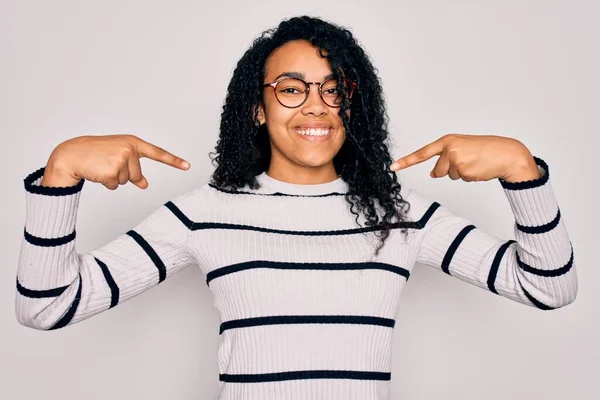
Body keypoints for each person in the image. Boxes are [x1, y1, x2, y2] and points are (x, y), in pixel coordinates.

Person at [16, 15, 577, 400]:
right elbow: (47, 307)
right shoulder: (203, 214)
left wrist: (521, 171)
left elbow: (549, 287)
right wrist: (59, 174)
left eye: (336, 89)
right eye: (291, 88)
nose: (317, 105)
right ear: (256, 109)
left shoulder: (401, 217)